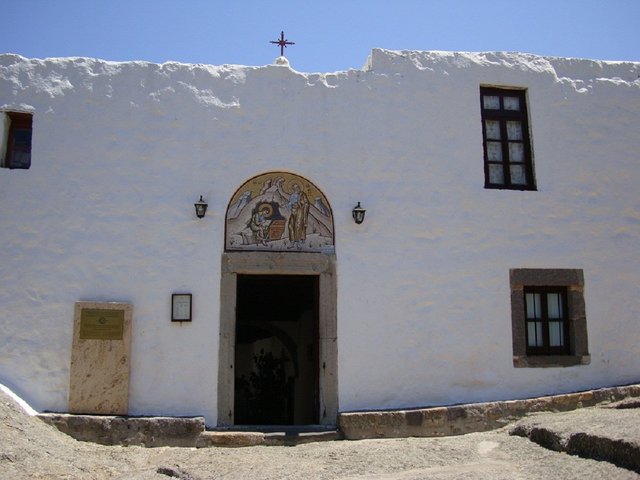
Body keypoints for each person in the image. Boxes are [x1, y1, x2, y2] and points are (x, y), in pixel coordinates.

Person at [287, 184, 309, 249]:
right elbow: (290, 202)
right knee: (290, 226)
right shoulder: (292, 195)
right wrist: (289, 205)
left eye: (297, 187)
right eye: (294, 188)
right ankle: (292, 242)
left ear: (298, 188)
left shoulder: (302, 194)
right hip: (293, 211)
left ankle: (298, 243)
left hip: (300, 211)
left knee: (298, 226)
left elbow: (306, 203)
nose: (296, 189)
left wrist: (300, 203)